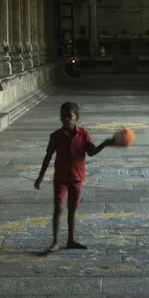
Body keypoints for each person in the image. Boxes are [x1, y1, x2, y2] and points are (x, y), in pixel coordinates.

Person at [34, 101, 112, 253]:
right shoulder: (56, 136)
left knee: (72, 210)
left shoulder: (83, 134)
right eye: (63, 116)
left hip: (77, 178)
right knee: (58, 207)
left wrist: (105, 143)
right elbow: (48, 156)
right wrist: (40, 176)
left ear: (77, 117)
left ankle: (70, 239)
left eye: (69, 116)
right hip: (60, 178)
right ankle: (55, 241)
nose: (65, 119)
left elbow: (91, 152)